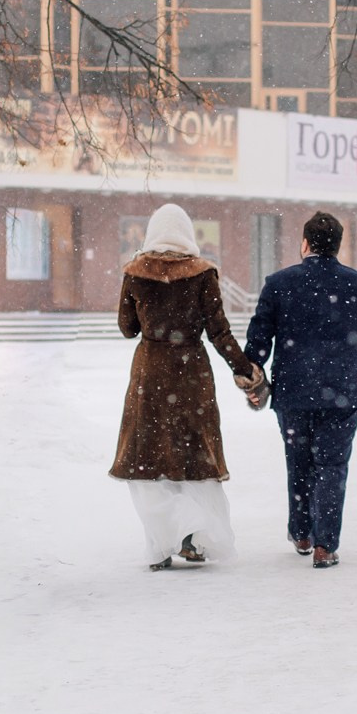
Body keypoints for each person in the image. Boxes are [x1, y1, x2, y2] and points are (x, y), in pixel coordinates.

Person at [109, 203, 266, 571]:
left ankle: (160, 546)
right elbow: (219, 333)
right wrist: (244, 370)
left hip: (150, 373)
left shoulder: (136, 272)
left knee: (151, 458)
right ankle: (191, 540)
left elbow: (127, 328)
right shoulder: (202, 274)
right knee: (191, 454)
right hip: (191, 374)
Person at [243, 211, 357, 570]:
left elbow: (259, 336)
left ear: (305, 243)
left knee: (299, 462)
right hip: (344, 392)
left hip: (294, 391)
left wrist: (253, 375)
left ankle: (302, 534)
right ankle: (326, 545)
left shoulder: (279, 283)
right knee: (333, 465)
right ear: (337, 246)